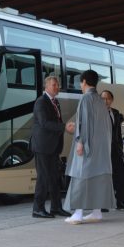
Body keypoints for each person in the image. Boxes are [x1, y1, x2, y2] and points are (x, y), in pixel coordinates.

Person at [64, 70, 115, 224]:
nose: (80, 85)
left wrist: (80, 141)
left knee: (80, 176)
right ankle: (96, 212)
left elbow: (84, 123)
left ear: (84, 82)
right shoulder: (101, 100)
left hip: (88, 146)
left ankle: (78, 214)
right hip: (101, 147)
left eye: (80, 82)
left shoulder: (86, 98)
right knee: (97, 178)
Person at [31, 76, 75, 219]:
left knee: (55, 178)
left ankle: (56, 207)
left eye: (58, 85)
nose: (57, 87)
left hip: (53, 146)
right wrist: (64, 127)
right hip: (43, 147)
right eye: (54, 85)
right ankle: (37, 209)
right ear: (46, 86)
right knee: (43, 178)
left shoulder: (55, 102)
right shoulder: (41, 102)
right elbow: (44, 123)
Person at [100, 90, 124, 210]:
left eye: (108, 98)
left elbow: (117, 133)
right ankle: (103, 204)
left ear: (111, 100)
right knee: (104, 178)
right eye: (103, 98)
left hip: (116, 149)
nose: (105, 101)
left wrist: (121, 148)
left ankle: (121, 201)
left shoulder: (115, 113)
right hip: (102, 150)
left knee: (120, 176)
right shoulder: (97, 113)